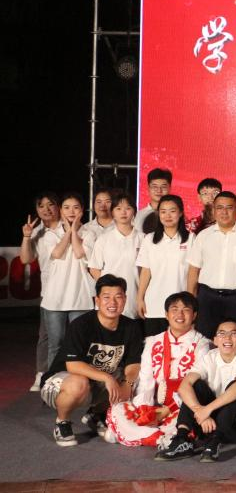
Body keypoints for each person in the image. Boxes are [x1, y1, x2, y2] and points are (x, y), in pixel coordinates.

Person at [40, 274, 143, 446]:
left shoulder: (131, 327)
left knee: (135, 380)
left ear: (125, 299)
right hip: (60, 384)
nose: (112, 302)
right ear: (97, 300)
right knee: (79, 383)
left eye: (118, 297)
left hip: (98, 381)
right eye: (106, 297)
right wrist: (107, 378)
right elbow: (73, 365)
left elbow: (134, 363)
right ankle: (62, 422)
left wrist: (128, 384)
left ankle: (95, 415)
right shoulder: (81, 325)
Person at [106, 292, 211, 448]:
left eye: (186, 310)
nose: (180, 314)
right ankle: (156, 436)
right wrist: (145, 409)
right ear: (166, 315)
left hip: (181, 406)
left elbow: (198, 382)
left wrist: (167, 410)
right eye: (174, 309)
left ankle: (138, 434)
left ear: (194, 315)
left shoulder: (202, 344)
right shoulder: (153, 341)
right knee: (118, 408)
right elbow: (145, 377)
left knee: (183, 421)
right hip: (153, 402)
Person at [155, 317, 236, 462]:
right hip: (207, 424)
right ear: (215, 340)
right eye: (222, 333)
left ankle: (215, 442)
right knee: (196, 385)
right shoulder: (209, 357)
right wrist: (200, 411)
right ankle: (182, 438)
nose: (227, 338)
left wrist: (207, 409)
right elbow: (184, 386)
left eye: (233, 333)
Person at [187, 191, 236, 339]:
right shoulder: (203, 236)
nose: (224, 212)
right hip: (207, 298)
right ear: (213, 210)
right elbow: (194, 269)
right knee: (204, 341)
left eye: (229, 208)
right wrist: (190, 300)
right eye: (219, 208)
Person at [39, 193, 96, 368]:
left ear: (82, 210)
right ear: (61, 210)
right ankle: (51, 379)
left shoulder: (89, 233)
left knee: (79, 344)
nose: (71, 211)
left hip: (80, 297)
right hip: (55, 298)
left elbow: (79, 253)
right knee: (55, 344)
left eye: (76, 207)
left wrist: (74, 230)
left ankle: (79, 379)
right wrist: (69, 231)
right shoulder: (51, 234)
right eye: (66, 207)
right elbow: (57, 253)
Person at [20, 191, 62, 390]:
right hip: (49, 292)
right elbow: (26, 259)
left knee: (72, 335)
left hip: (75, 289)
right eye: (41, 206)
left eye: (50, 204)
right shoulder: (36, 232)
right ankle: (42, 374)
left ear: (58, 207)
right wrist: (26, 236)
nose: (46, 209)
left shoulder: (68, 227)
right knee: (46, 336)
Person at [136, 195, 192, 337]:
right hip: (154, 304)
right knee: (154, 345)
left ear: (180, 213)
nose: (167, 216)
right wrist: (140, 298)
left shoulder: (191, 239)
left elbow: (193, 273)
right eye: (163, 211)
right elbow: (146, 271)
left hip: (181, 306)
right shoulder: (149, 239)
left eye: (172, 211)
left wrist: (191, 302)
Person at [89, 192, 142, 321]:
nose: (123, 212)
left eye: (128, 208)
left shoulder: (143, 238)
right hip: (109, 299)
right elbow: (94, 268)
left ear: (134, 212)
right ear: (112, 212)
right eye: (118, 209)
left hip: (134, 296)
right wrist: (109, 287)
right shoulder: (104, 239)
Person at [136, 168, 172, 233]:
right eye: (155, 187)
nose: (159, 190)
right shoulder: (138, 216)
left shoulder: (175, 216)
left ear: (170, 188)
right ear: (148, 188)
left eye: (163, 187)